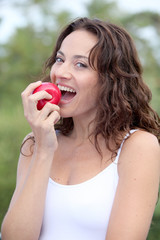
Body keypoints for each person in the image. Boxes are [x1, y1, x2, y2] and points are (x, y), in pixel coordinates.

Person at [1, 17, 160, 240]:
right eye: (59, 59)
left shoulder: (138, 147)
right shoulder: (35, 143)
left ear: (111, 79)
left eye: (80, 64)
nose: (60, 73)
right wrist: (44, 151)